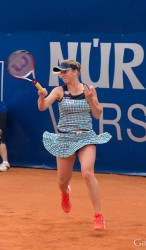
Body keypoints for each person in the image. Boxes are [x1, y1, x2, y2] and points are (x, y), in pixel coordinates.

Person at [37, 59, 112, 230]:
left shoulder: (89, 89)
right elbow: (42, 107)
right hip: (64, 139)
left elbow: (98, 113)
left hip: (86, 137)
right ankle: (65, 194)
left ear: (76, 71)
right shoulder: (58, 91)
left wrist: (91, 99)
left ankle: (99, 216)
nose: (62, 74)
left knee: (87, 173)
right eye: (60, 72)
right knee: (62, 181)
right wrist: (41, 98)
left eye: (65, 71)